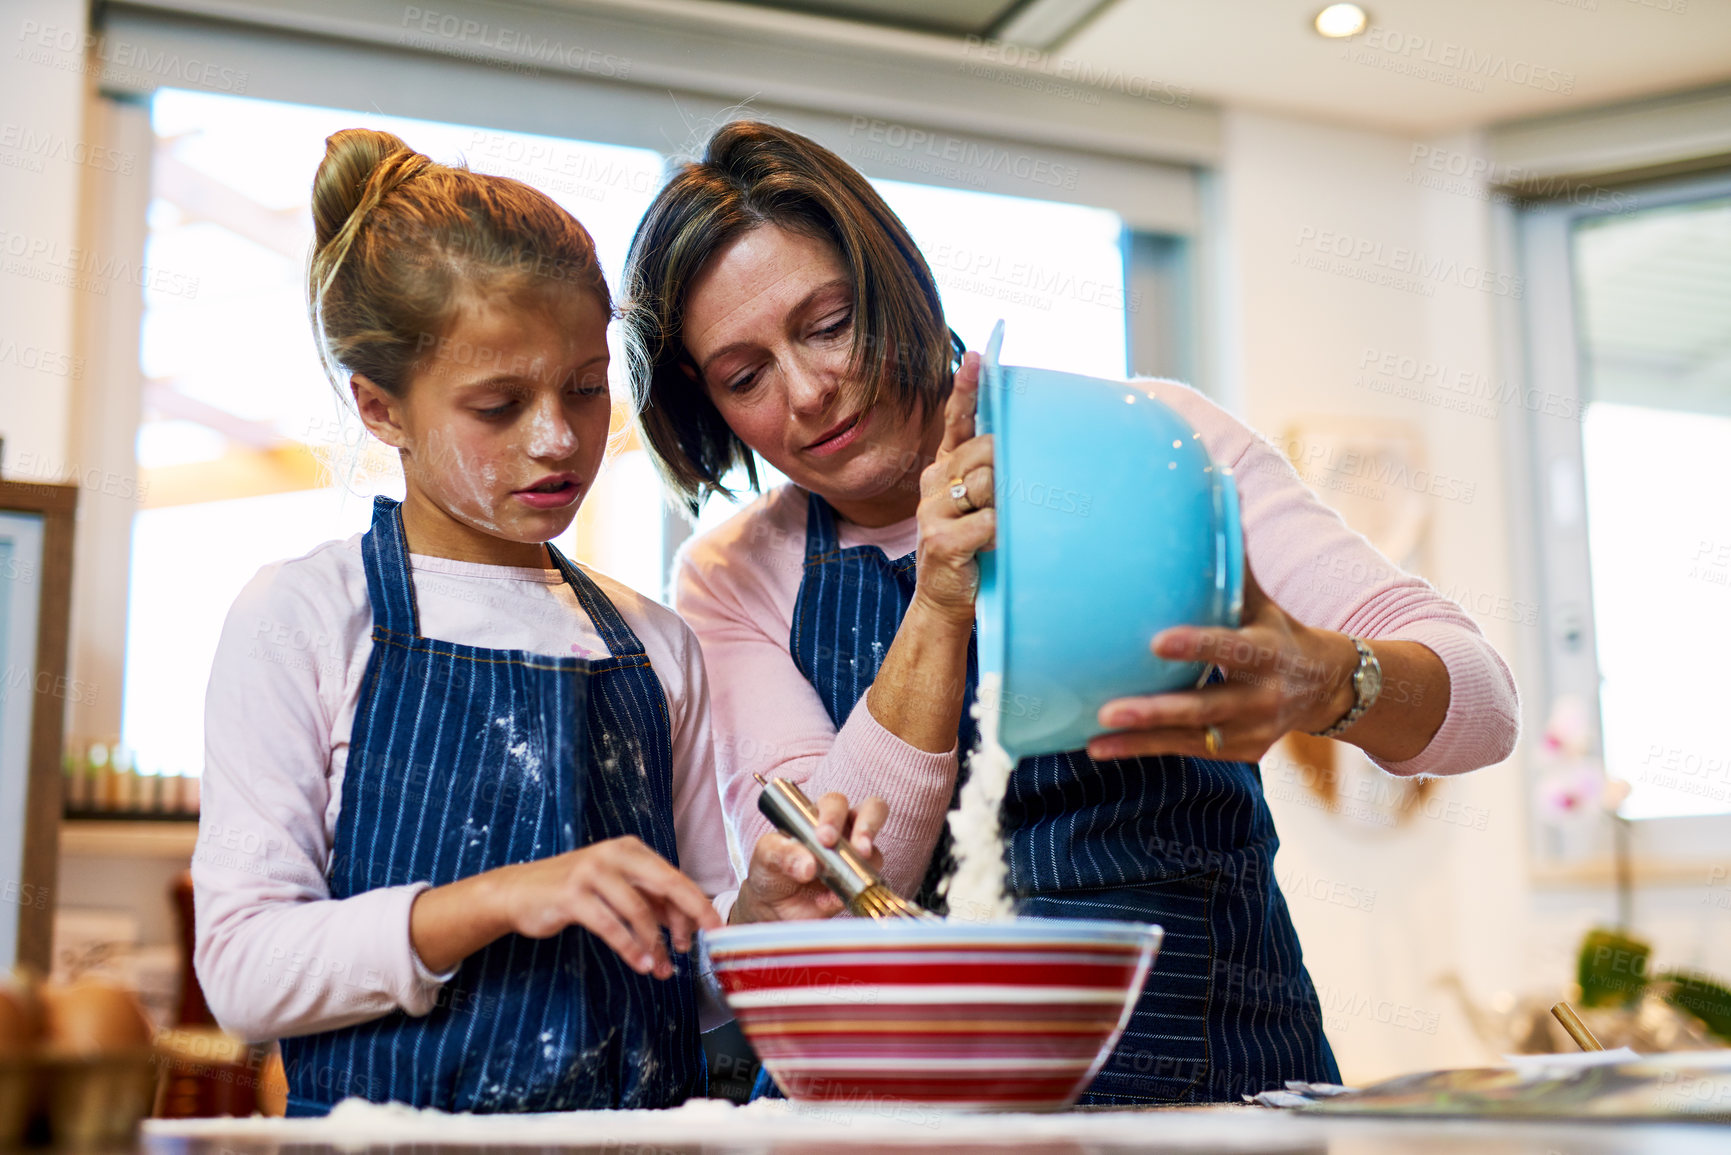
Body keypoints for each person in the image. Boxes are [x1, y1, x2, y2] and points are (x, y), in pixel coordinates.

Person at [620, 120, 1520, 1104]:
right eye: (746, 378)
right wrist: (939, 602)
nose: (808, 390)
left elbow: (1481, 707)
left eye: (830, 323)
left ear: (896, 282)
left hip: (1213, 1089)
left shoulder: (1155, 446)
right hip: (900, 1109)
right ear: (706, 408)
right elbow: (829, 892)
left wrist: (1334, 679)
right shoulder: (737, 575)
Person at [192, 128, 884, 1116]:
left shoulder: (653, 644)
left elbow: (689, 988)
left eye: (585, 389)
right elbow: (244, 974)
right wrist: (501, 898)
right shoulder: (307, 616)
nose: (557, 438)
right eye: (498, 405)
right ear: (381, 408)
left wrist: (760, 918)